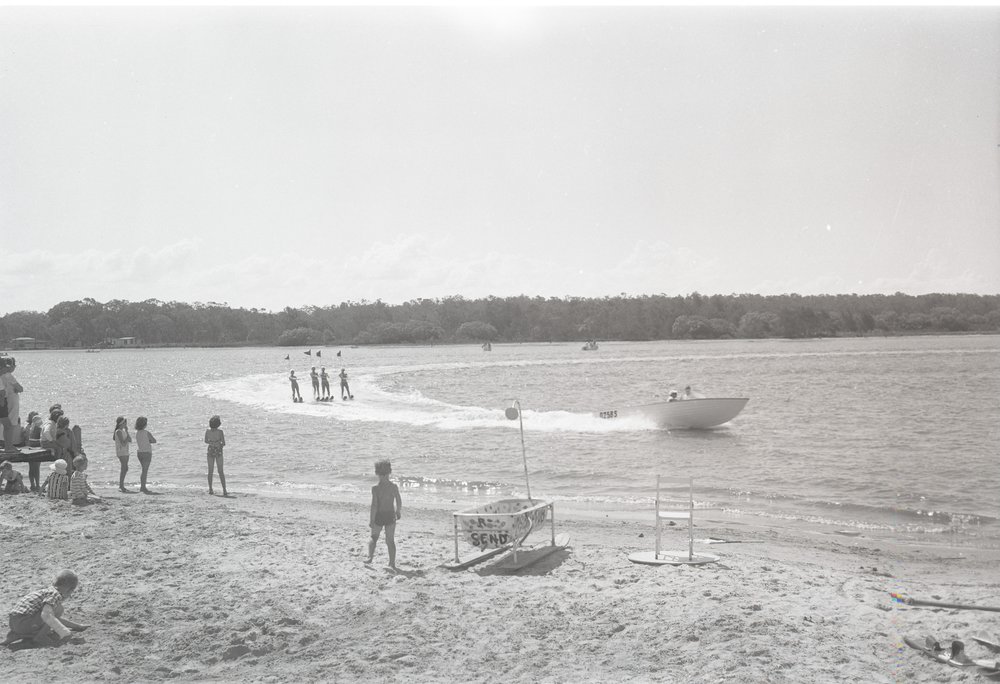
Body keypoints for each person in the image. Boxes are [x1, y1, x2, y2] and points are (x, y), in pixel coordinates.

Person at [2, 570, 88, 647]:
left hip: (15, 623)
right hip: (24, 622)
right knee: (59, 609)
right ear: (70, 590)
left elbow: (53, 618)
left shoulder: (47, 591)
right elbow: (46, 615)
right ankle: (41, 637)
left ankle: (18, 635)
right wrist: (63, 631)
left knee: (51, 618)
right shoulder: (55, 595)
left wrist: (77, 626)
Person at [365, 459, 402, 569]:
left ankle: (370, 557)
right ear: (390, 472)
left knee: (374, 537)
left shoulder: (376, 488)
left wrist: (371, 520)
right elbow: (399, 501)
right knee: (390, 540)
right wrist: (398, 511)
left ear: (376, 473)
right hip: (390, 516)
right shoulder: (393, 487)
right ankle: (392, 563)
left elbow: (374, 506)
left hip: (379, 516)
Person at [0, 356, 24, 454]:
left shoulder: (3, 376)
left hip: (5, 400)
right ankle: (9, 446)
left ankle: (8, 446)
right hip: (6, 401)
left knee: (7, 424)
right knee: (9, 424)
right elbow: (20, 388)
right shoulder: (7, 375)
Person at [204, 415, 227, 497]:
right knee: (220, 471)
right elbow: (223, 443)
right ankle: (224, 490)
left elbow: (206, 441)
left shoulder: (207, 431)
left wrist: (211, 442)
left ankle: (210, 489)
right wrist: (218, 443)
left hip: (210, 450)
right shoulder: (220, 432)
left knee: (210, 471)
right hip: (218, 450)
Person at [134, 416, 157, 494]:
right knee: (145, 471)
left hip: (139, 453)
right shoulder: (146, 432)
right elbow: (154, 440)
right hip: (147, 452)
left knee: (143, 470)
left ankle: (142, 487)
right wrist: (149, 441)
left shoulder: (137, 433)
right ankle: (143, 487)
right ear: (144, 424)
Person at [114, 416, 132, 493]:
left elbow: (130, 439)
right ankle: (121, 486)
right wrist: (127, 439)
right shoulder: (118, 431)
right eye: (125, 422)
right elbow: (123, 443)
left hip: (126, 451)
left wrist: (127, 431)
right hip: (121, 451)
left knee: (125, 468)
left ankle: (122, 485)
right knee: (124, 468)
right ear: (122, 423)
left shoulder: (123, 431)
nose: (126, 424)